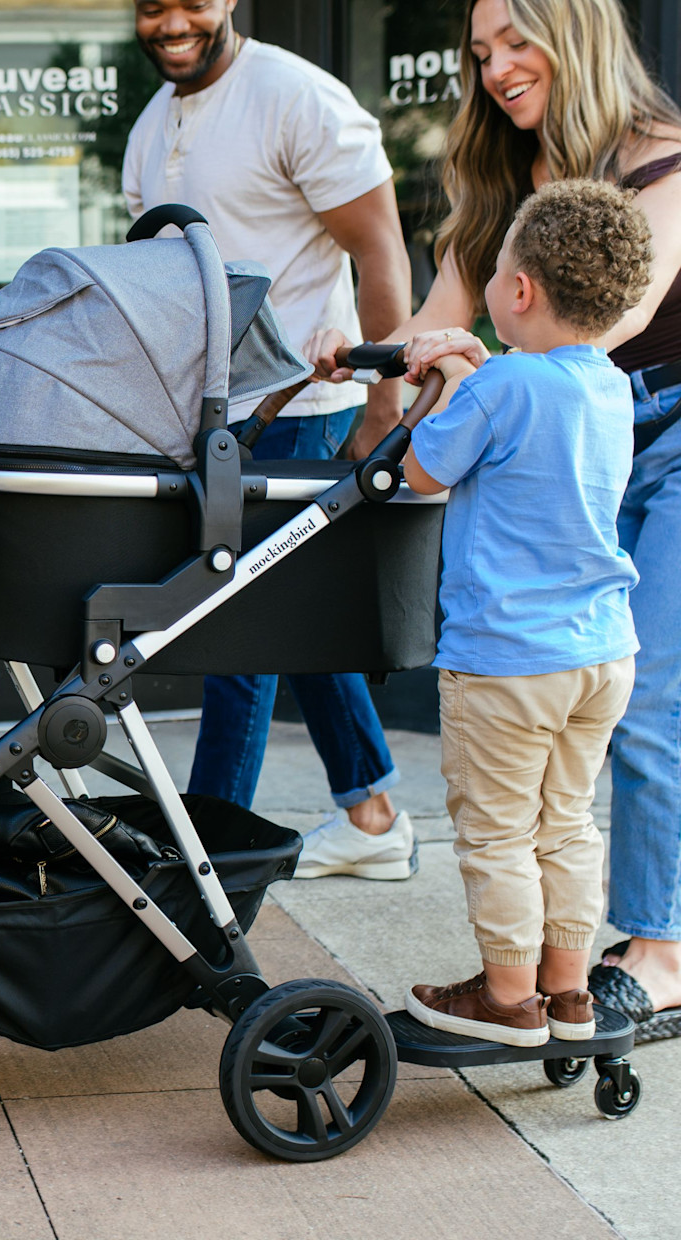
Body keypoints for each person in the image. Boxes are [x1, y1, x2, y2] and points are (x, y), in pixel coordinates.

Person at [309, 0, 681, 1036]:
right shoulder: (503, 190)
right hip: (594, 457)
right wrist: (369, 355)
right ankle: (565, 986)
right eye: (480, 53)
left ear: (578, 34)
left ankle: (631, 957)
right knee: (566, 811)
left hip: (666, 437)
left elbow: (616, 320)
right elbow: (444, 327)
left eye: (517, 40)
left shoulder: (664, 164)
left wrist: (473, 382)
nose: (497, 68)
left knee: (630, 718)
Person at [123, 0, 418, 880]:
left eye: (191, 2)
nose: (172, 21)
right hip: (215, 417)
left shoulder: (297, 97)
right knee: (283, 612)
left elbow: (380, 250)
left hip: (303, 404)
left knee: (235, 625)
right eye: (151, 6)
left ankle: (206, 855)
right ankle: (370, 815)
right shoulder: (153, 124)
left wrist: (383, 401)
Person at [402, 179, 650, 1046]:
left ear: (519, 291)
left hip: (507, 660)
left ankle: (506, 998)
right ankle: (570, 992)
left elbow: (425, 469)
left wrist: (447, 377)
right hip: (600, 654)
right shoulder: (611, 386)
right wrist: (481, 372)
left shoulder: (500, 389)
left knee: (498, 830)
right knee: (567, 823)